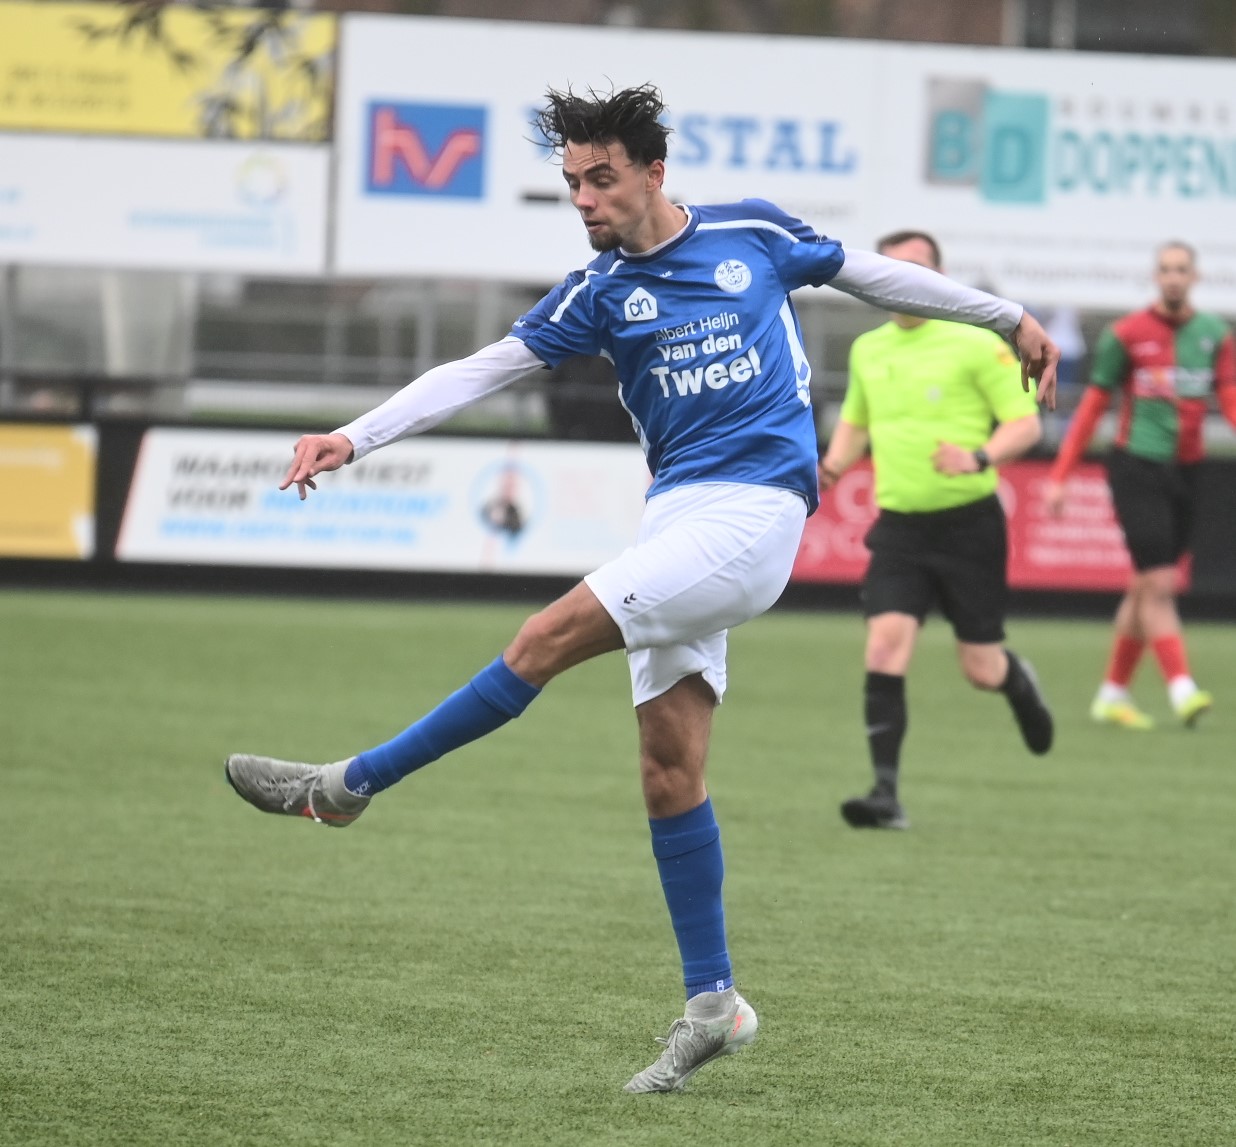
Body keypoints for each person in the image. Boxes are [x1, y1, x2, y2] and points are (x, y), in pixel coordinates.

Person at [224, 85, 1058, 1093]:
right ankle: (715, 1004)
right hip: (675, 520)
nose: (584, 198)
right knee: (669, 771)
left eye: (602, 178)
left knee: (543, 637)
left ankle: (348, 787)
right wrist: (354, 435)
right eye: (572, 181)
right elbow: (478, 369)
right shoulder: (599, 290)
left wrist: (1007, 316)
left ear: (654, 173)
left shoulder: (750, 235)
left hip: (755, 514)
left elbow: (871, 275)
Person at [818, 230, 1055, 832]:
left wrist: (978, 456)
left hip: (968, 526)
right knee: (884, 646)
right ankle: (885, 795)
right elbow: (855, 423)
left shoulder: (976, 341)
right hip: (899, 528)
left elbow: (1025, 425)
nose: (905, 282)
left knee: (980, 669)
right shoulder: (869, 349)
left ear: (941, 278)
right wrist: (828, 469)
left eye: (918, 269)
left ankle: (1017, 681)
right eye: (893, 270)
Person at [1045, 241, 1236, 730]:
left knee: (1144, 585)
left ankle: (1112, 694)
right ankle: (1182, 689)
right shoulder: (1126, 334)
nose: (1173, 277)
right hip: (1136, 467)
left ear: (1195, 277)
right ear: (1156, 276)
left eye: (1181, 269)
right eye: (1165, 269)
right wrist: (1060, 476)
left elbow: (1230, 397)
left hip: (1189, 470)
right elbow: (1092, 407)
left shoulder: (1216, 335)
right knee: (1160, 583)